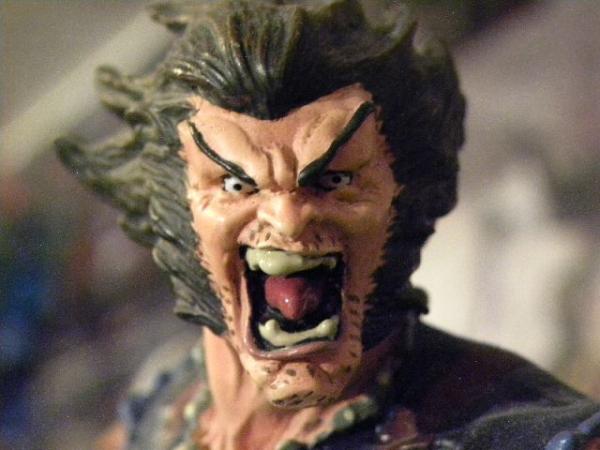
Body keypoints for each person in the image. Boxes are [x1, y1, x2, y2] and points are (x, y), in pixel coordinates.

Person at [56, 1, 600, 448]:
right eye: (237, 185)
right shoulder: (169, 405)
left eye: (335, 181)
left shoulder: (519, 434)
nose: (288, 219)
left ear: (403, 195)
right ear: (173, 205)